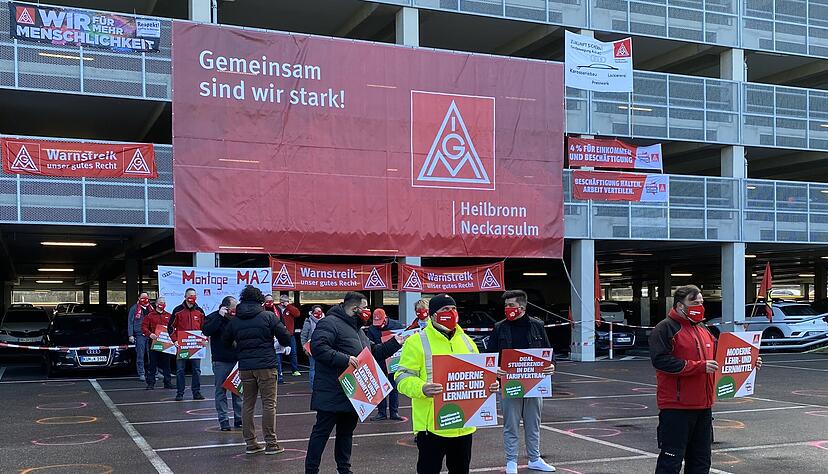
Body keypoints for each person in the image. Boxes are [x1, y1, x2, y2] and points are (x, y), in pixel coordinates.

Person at [650, 285, 761, 474]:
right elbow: (660, 361)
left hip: (704, 406)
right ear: (679, 305)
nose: (699, 306)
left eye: (701, 302)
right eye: (694, 303)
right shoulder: (665, 328)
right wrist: (698, 366)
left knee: (701, 461)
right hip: (676, 408)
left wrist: (750, 360)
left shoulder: (703, 329)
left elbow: (721, 356)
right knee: (671, 460)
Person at [395, 294, 500, 474]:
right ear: (433, 315)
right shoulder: (416, 341)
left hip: (464, 425)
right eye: (445, 309)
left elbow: (477, 376)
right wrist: (422, 388)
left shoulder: (466, 341)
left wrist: (490, 384)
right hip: (431, 426)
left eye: (454, 309)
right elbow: (402, 377)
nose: (451, 313)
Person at [305, 292, 403, 474]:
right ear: (355, 308)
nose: (368, 312)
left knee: (346, 433)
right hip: (332, 390)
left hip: (353, 393)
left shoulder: (357, 329)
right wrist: (345, 359)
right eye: (365, 307)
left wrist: (395, 343)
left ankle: (344, 469)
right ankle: (311, 470)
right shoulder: (329, 322)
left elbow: (372, 352)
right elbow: (318, 348)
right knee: (321, 432)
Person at [486, 290, 557, 474]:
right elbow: (489, 357)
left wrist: (551, 366)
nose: (507, 309)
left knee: (533, 424)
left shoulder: (537, 326)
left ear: (522, 307)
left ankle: (535, 458)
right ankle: (511, 461)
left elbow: (549, 353)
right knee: (511, 424)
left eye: (511, 305)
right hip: (509, 384)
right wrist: (495, 370)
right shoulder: (500, 327)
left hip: (534, 385)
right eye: (506, 306)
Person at [223, 285, 293, 455]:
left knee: (248, 404)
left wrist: (240, 349)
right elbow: (285, 336)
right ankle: (271, 443)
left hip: (245, 366)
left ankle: (251, 443)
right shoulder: (268, 316)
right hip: (266, 365)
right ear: (260, 300)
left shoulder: (236, 320)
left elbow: (225, 342)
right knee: (269, 404)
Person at [203, 295, 242, 431]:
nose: (234, 310)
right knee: (221, 391)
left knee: (237, 390)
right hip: (220, 360)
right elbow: (206, 331)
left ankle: (239, 418)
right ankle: (224, 420)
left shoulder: (237, 318)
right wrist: (220, 317)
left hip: (236, 360)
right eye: (233, 308)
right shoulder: (213, 317)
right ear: (225, 307)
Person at [367, 308, 405, 421]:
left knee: (393, 386)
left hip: (393, 360)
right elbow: (370, 346)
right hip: (380, 359)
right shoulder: (372, 329)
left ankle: (394, 412)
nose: (379, 326)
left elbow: (403, 341)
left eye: (381, 323)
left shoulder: (396, 325)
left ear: (386, 318)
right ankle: (381, 412)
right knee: (381, 387)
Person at [168, 288, 205, 401]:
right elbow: (170, 327)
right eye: (190, 295)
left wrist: (204, 338)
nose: (192, 297)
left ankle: (196, 392)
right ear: (185, 296)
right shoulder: (177, 310)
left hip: (196, 345)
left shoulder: (200, 311)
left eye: (194, 295)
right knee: (180, 370)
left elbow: (205, 327)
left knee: (197, 370)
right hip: (182, 345)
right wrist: (175, 340)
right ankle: (180, 393)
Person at [141, 296, 173, 390]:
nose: (162, 304)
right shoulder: (150, 316)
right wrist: (150, 334)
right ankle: (150, 383)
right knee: (152, 364)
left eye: (164, 302)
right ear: (156, 304)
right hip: (154, 343)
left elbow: (172, 328)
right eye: (160, 302)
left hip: (166, 344)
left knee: (166, 364)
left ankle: (167, 382)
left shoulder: (169, 315)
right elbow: (144, 327)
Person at [127, 292, 152, 381]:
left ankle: (154, 371)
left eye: (146, 297)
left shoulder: (151, 308)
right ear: (138, 298)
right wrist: (130, 335)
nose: (145, 299)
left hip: (150, 334)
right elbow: (130, 322)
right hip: (139, 334)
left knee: (152, 354)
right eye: (143, 297)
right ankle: (141, 373)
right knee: (140, 354)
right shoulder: (134, 308)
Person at [301, 305, 325, 387]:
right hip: (311, 348)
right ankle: (313, 386)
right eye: (316, 312)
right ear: (312, 312)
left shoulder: (326, 321)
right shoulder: (308, 322)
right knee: (313, 368)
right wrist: (304, 348)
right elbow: (303, 336)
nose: (318, 313)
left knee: (323, 368)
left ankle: (322, 386)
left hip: (324, 348)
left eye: (319, 311)